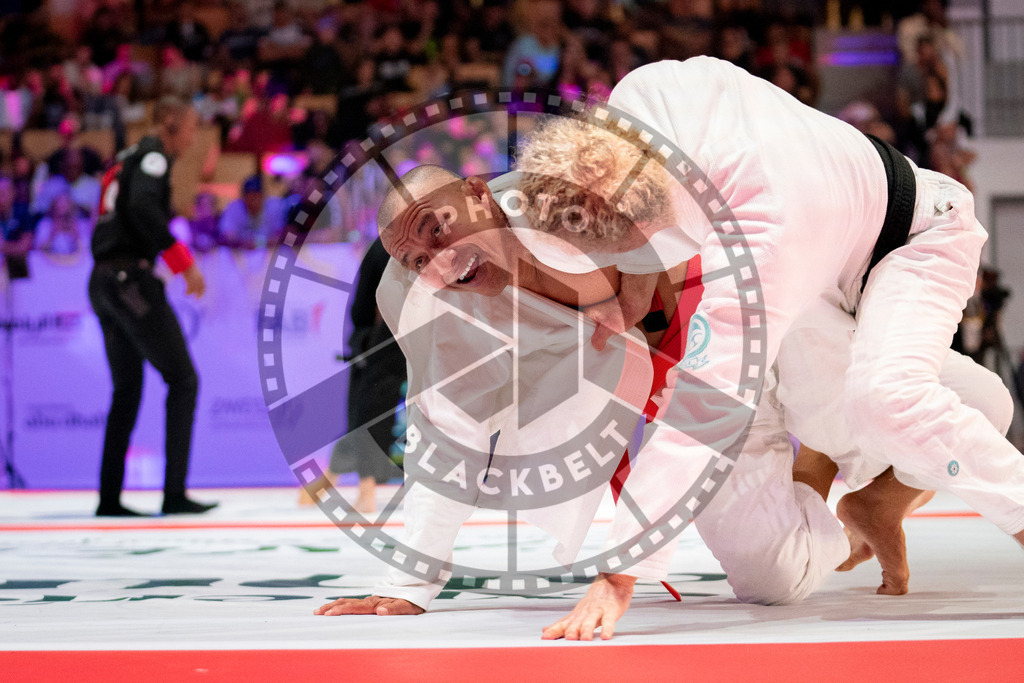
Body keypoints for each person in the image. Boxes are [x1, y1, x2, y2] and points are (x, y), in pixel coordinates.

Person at [312, 161, 1012, 631]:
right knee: (773, 579)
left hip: (765, 317)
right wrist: (409, 581)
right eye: (416, 259)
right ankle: (829, 483)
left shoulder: (575, 186)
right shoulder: (438, 306)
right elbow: (448, 432)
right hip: (693, 396)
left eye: (438, 228)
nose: (440, 259)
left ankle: (849, 465)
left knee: (975, 408)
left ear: (477, 191)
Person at [524, 57, 1024, 639]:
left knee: (890, 400)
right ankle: (884, 482)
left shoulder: (757, 233)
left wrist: (619, 574)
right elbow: (619, 204)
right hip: (819, 271)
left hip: (913, 240)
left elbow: (702, 414)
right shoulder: (639, 100)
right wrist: (633, 289)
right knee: (772, 575)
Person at [88, 96, 216, 517]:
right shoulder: (154, 157)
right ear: (169, 123)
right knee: (183, 380)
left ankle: (109, 499)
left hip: (104, 279)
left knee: (127, 389)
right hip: (129, 278)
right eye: (191, 127)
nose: (194, 136)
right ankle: (174, 494)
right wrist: (183, 264)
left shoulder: (126, 157)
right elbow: (142, 207)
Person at [298, 238, 405, 512]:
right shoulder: (385, 248)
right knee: (366, 407)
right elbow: (365, 303)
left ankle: (347, 481)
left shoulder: (410, 243)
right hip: (385, 337)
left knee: (371, 406)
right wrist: (365, 340)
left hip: (417, 331)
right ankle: (356, 482)